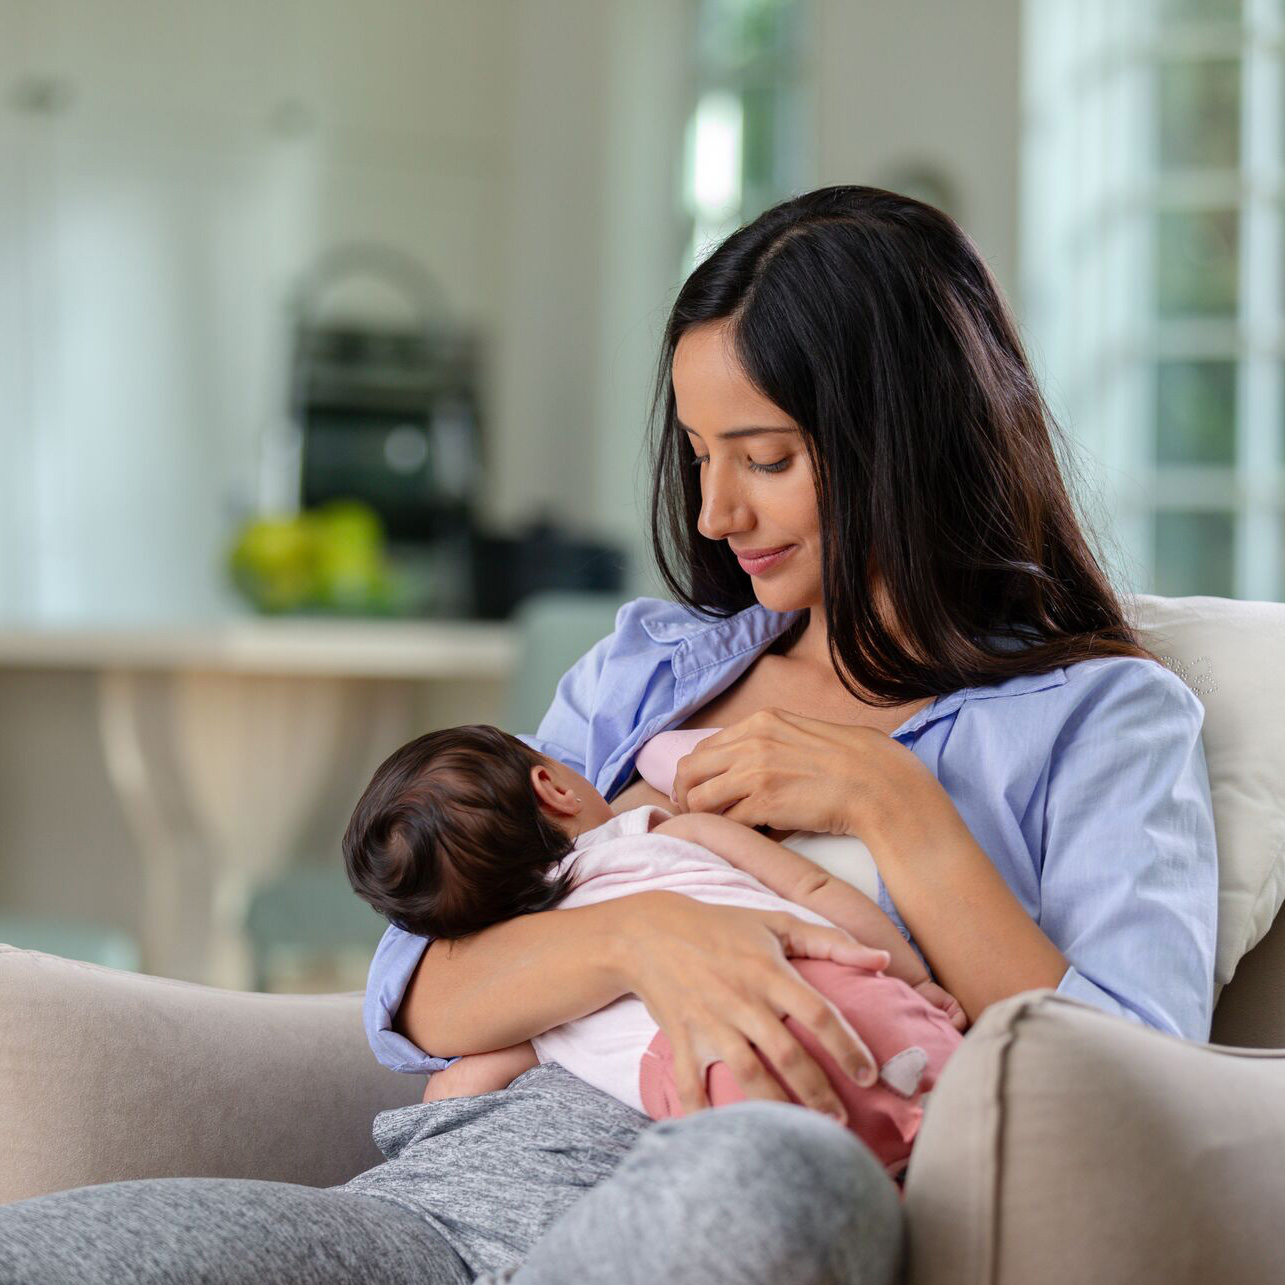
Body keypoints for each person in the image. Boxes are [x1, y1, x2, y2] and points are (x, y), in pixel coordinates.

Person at [0, 185, 1217, 1285]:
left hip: (718, 1201)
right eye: (698, 456)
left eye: (768, 458)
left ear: (906, 443)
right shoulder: (649, 668)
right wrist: (646, 936)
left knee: (776, 1182)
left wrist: (896, 810)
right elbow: (417, 989)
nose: (713, 511)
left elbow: (1129, 1090)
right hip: (443, 1210)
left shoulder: (1101, 718)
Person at [339, 722, 966, 1181]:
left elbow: (462, 1088)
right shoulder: (666, 831)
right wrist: (916, 980)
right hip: (847, 994)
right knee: (957, 1135)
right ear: (551, 787)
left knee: (814, 1187)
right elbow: (813, 887)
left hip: (712, 1075)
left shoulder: (542, 987)